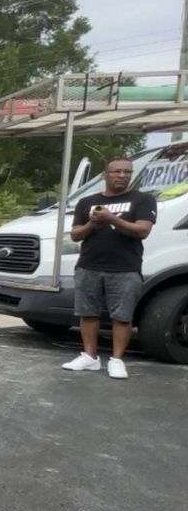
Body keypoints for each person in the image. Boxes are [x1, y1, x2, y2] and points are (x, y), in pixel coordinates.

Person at [63, 157, 156, 379]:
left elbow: (142, 230)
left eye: (127, 172)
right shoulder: (87, 202)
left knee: (122, 316)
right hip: (88, 265)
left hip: (125, 267)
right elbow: (75, 235)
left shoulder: (142, 200)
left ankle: (117, 360)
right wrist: (93, 223)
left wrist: (111, 218)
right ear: (105, 175)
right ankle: (89, 357)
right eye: (117, 172)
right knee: (87, 313)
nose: (122, 176)